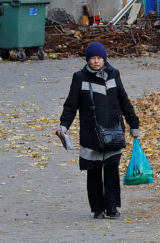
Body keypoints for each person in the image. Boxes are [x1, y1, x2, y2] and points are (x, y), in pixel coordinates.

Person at [57, 41, 140, 219]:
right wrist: (64, 126)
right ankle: (97, 209)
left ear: (104, 59)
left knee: (111, 170)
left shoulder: (113, 75)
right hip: (91, 132)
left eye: (99, 58)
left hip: (113, 131)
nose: (96, 61)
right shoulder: (79, 77)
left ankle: (112, 208)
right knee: (93, 171)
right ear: (88, 60)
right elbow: (71, 105)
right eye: (92, 58)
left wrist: (134, 124)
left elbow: (124, 101)